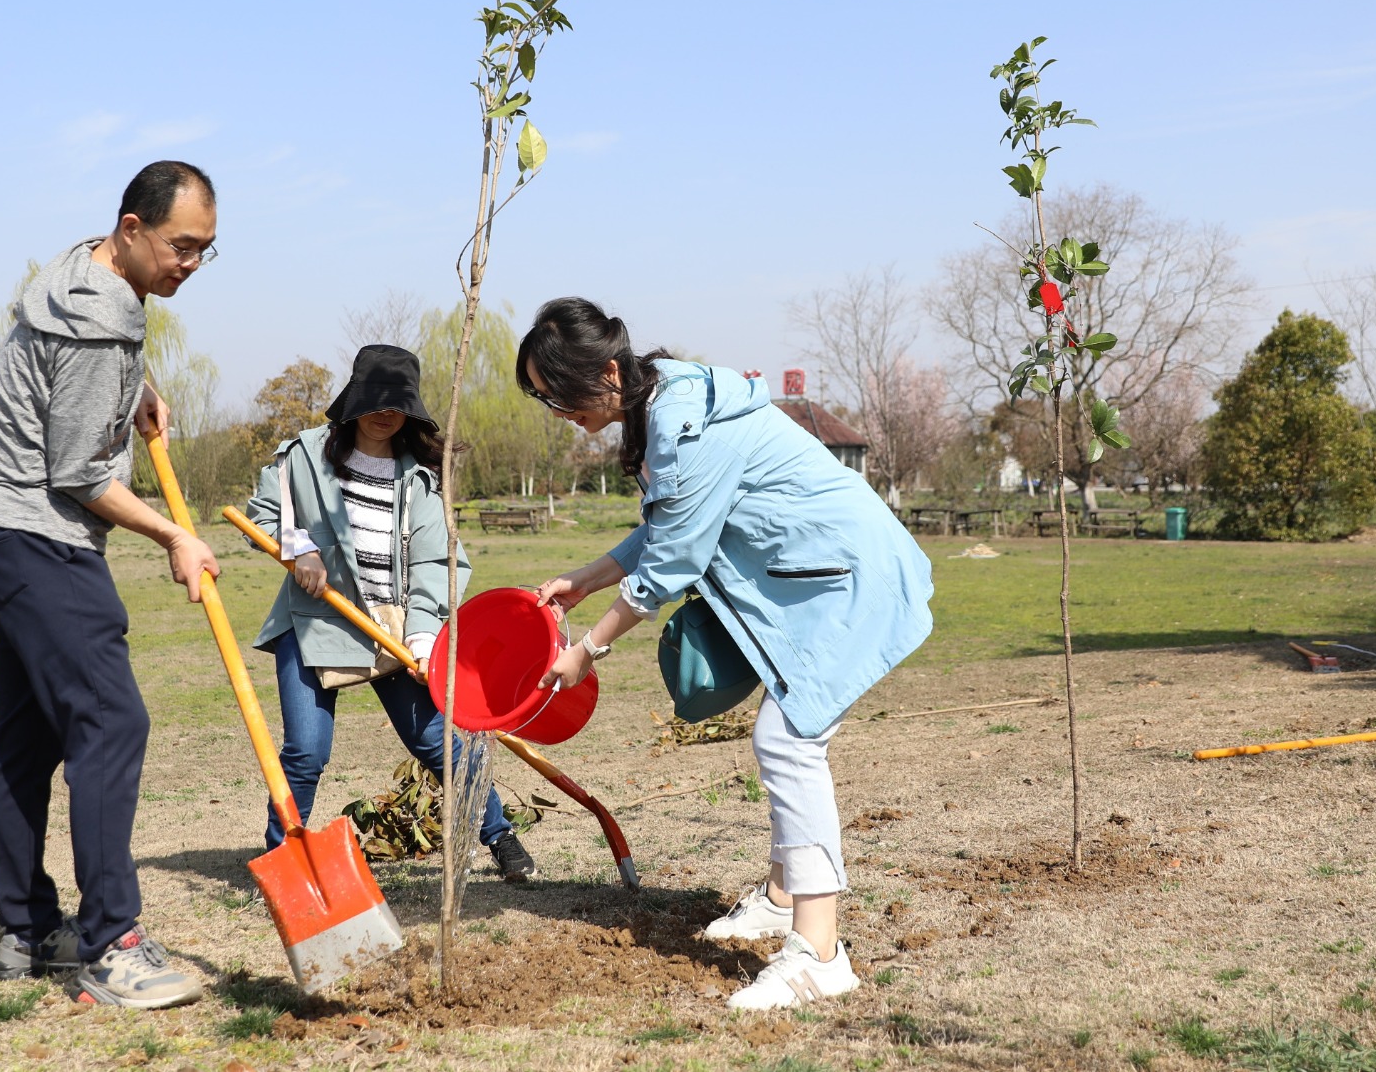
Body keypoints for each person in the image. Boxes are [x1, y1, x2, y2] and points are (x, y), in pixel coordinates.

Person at [516, 298, 933, 1009]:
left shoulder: (685, 421)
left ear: (607, 372)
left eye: (558, 393)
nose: (556, 410)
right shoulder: (663, 407)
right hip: (814, 580)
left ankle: (820, 953)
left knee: (788, 740)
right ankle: (781, 897)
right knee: (784, 736)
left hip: (849, 578)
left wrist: (587, 648)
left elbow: (675, 556)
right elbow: (673, 521)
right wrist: (585, 579)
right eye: (542, 398)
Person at [0, 160, 221, 1009]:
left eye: (205, 251)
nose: (189, 262)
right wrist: (172, 533)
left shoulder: (83, 271)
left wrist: (132, 388)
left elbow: (64, 387)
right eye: (181, 245)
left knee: (32, 736)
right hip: (42, 538)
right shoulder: (98, 319)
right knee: (112, 718)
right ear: (134, 227)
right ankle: (112, 944)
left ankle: (27, 928)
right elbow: (77, 469)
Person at [244, 344, 537, 881]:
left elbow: (434, 562)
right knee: (306, 752)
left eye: (397, 403)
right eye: (376, 400)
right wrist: (298, 548)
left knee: (443, 744)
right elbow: (263, 514)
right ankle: (282, 860)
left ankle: (499, 835)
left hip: (394, 629)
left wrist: (424, 639)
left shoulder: (422, 477)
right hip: (316, 621)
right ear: (354, 399)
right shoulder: (303, 457)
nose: (385, 413)